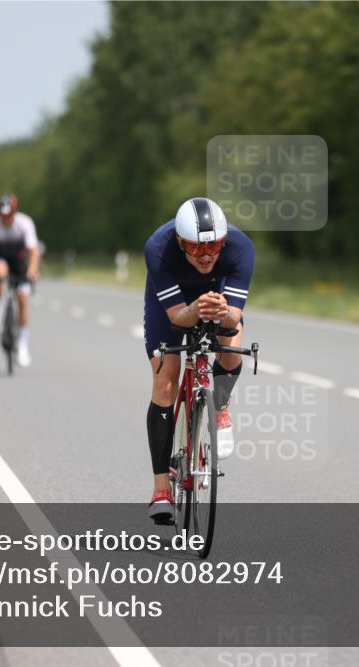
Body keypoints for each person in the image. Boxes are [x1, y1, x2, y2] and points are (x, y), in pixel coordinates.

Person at [143, 197, 254, 523]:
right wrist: (194, 310)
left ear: (224, 240)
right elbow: (178, 318)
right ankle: (161, 489)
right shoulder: (158, 248)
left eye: (214, 246)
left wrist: (223, 313)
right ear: (180, 242)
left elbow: (233, 319)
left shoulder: (240, 248)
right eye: (195, 247)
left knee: (230, 349)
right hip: (174, 303)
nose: (206, 255)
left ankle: (220, 407)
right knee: (166, 379)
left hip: (218, 292)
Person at [0, 194, 40, 367]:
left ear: (14, 212)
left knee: (23, 300)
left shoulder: (25, 223)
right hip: (1, 257)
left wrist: (33, 270)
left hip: (19, 259)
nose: (6, 219)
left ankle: (22, 346)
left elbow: (33, 251)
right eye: (2, 216)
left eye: (9, 215)